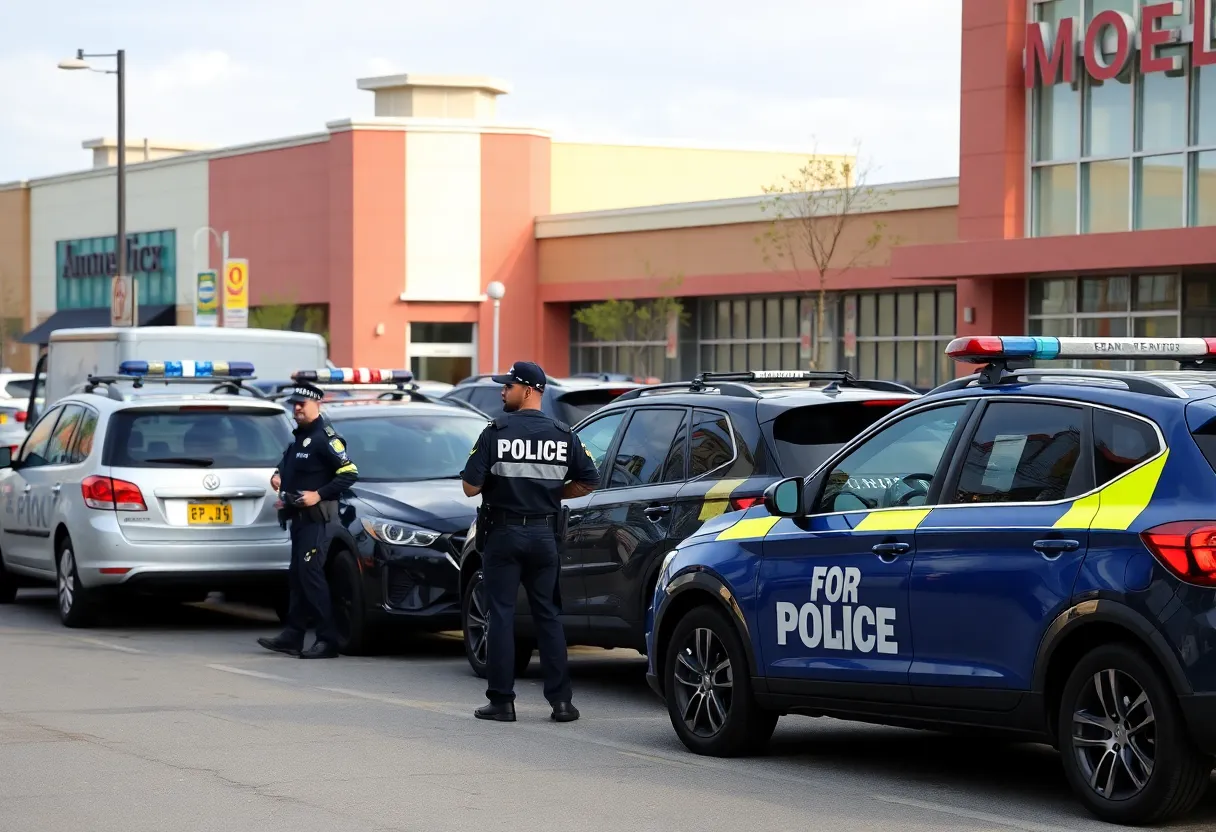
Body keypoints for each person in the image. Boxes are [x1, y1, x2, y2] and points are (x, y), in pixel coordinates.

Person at [461, 361, 600, 723]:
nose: (502, 391)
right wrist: (551, 494)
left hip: (504, 534)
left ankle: (502, 703)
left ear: (528, 390)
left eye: (508, 386)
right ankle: (562, 704)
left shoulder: (496, 431)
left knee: (502, 616)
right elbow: (589, 480)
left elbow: (469, 487)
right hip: (544, 535)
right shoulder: (563, 432)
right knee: (549, 617)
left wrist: (499, 484)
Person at [257, 381, 359, 659]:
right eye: (295, 404)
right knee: (298, 577)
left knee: (311, 577)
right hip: (298, 519)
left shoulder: (326, 439)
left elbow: (349, 473)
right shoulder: (300, 438)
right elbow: (288, 464)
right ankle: (293, 635)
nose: (297, 408)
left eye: (303, 404)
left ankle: (328, 640)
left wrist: (319, 494)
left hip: (318, 521)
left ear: (317, 404)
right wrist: (278, 475)